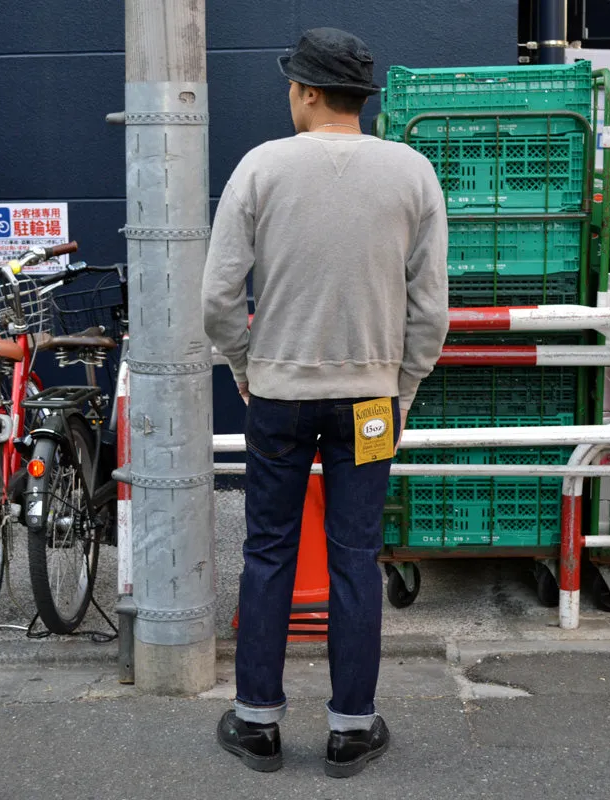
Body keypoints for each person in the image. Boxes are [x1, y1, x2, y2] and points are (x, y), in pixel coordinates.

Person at [202, 27, 449, 778]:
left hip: (278, 394)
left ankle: (256, 724)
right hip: (371, 401)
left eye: (291, 86)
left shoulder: (261, 169)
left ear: (308, 92)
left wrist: (246, 366)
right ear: (360, 98)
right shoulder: (412, 173)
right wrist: (401, 388)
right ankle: (350, 727)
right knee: (355, 554)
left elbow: (217, 300)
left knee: (268, 552)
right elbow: (430, 311)